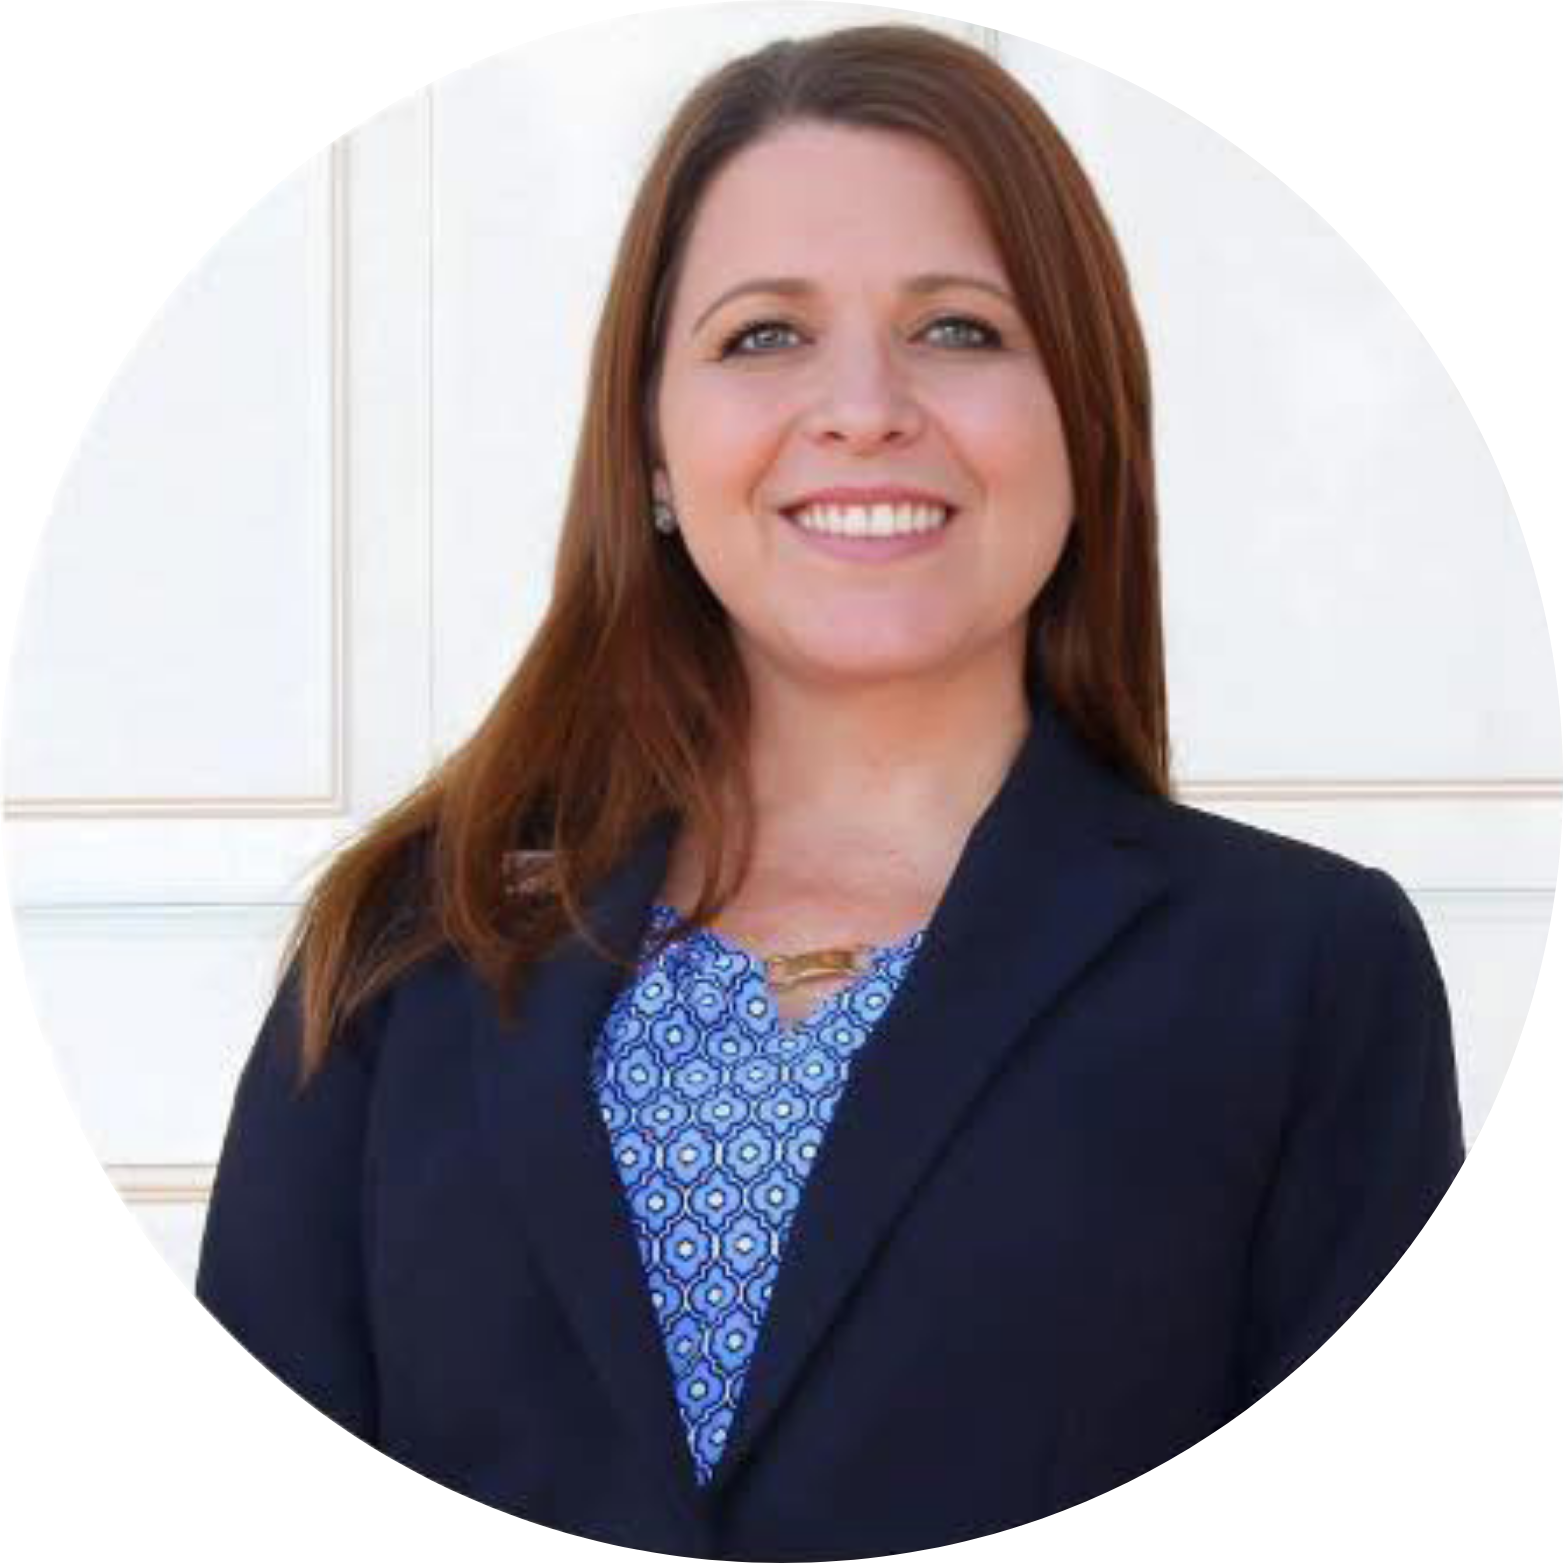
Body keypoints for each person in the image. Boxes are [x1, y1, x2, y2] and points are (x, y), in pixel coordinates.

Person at [195, 23, 1465, 1557]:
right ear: (651, 452)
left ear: (1083, 420)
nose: (862, 407)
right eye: (761, 336)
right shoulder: (411, 949)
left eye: (957, 330)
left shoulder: (1306, 970)